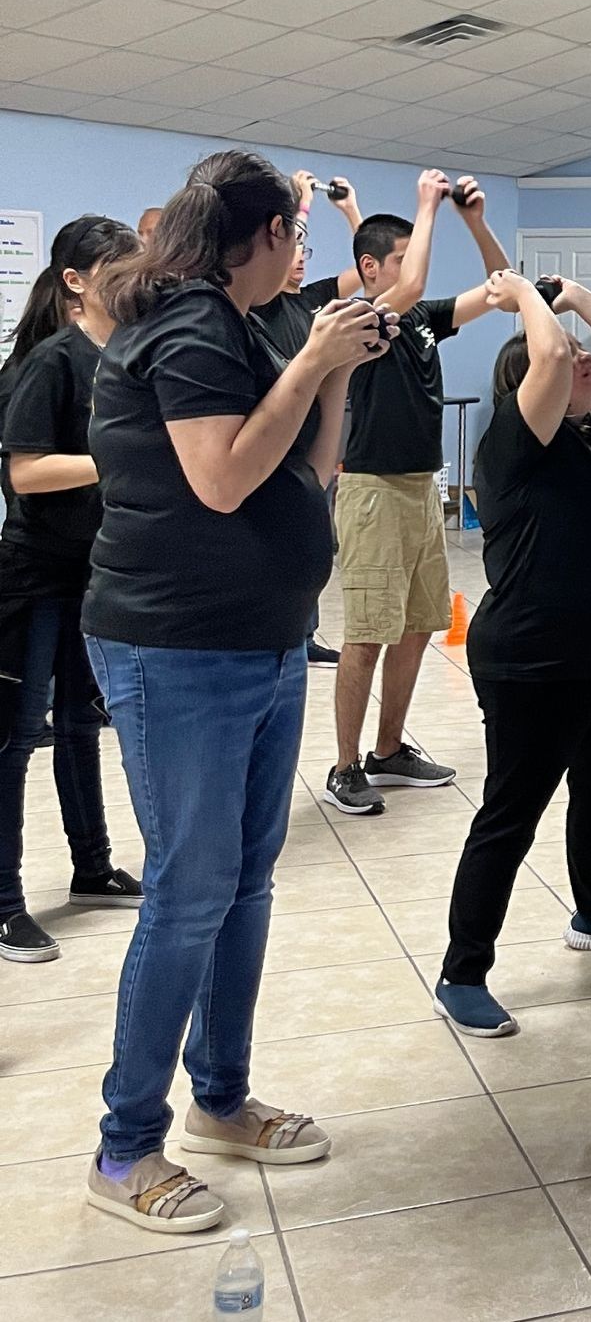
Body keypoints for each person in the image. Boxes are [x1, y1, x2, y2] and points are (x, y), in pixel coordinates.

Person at [82, 149, 396, 1231]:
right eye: (292, 239)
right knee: (187, 893)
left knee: (244, 884)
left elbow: (303, 477)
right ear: (258, 240)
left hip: (263, 643)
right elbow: (218, 482)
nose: (299, 258)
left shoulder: (245, 326)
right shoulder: (185, 329)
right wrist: (310, 361)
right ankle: (125, 1149)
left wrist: (336, 370)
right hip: (176, 650)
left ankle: (219, 1097)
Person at [434, 271, 591, 1037]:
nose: (583, 363)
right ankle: (461, 971)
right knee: (510, 815)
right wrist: (528, 303)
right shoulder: (511, 446)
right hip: (531, 662)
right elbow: (541, 361)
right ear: (528, 387)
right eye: (571, 357)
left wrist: (573, 299)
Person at [323, 171, 510, 816]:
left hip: (420, 486)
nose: (414, 269)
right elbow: (411, 287)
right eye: (399, 258)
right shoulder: (354, 318)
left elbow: (501, 292)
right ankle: (345, 766)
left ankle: (389, 750)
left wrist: (476, 222)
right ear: (371, 269)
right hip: (371, 490)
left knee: (414, 628)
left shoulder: (423, 320)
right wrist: (426, 205)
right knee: (368, 632)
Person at [0, 216, 143, 965]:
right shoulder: (50, 362)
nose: (137, 280)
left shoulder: (127, 354)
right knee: (16, 738)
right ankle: (3, 904)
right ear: (77, 282)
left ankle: (93, 866)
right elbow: (24, 473)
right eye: (119, 268)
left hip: (99, 573)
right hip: (34, 579)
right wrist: (113, 457)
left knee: (84, 725)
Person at [251, 169, 365, 669]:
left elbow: (375, 270)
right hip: (276, 444)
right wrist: (301, 202)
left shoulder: (317, 301)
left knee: (313, 539)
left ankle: (306, 631)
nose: (298, 260)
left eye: (305, 252)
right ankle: (286, 629)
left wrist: (351, 211)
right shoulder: (261, 307)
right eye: (292, 248)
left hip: (316, 445)